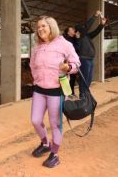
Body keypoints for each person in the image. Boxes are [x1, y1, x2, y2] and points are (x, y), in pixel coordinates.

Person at [30, 16, 80, 168]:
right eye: (38, 27)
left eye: (43, 26)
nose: (40, 29)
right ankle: (45, 143)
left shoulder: (64, 44)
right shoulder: (37, 46)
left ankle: (55, 153)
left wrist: (68, 68)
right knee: (35, 120)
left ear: (51, 26)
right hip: (39, 89)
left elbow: (76, 63)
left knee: (55, 123)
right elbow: (32, 65)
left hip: (56, 91)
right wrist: (37, 79)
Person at [75, 10, 107, 98]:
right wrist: (95, 16)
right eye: (81, 28)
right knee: (84, 78)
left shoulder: (87, 36)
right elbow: (86, 27)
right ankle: (82, 94)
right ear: (78, 30)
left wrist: (102, 24)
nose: (83, 28)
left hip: (90, 59)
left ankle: (86, 92)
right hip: (83, 59)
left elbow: (96, 31)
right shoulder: (79, 37)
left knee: (89, 78)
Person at [63, 26, 79, 95]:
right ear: (68, 32)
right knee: (65, 78)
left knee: (72, 78)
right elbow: (76, 48)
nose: (73, 30)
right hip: (67, 61)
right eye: (72, 29)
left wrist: (77, 38)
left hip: (73, 61)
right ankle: (67, 93)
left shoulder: (74, 39)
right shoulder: (66, 39)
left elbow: (78, 48)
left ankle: (71, 92)